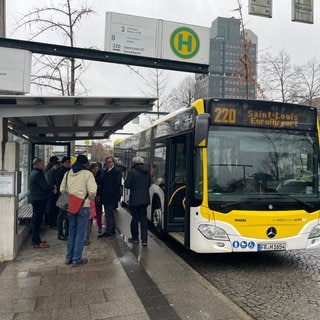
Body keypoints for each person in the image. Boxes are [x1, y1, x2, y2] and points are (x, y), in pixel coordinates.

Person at [60, 155, 97, 267]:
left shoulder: (67, 173)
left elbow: (62, 189)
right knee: (81, 234)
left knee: (72, 232)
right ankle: (77, 259)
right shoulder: (88, 174)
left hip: (70, 206)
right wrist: (87, 199)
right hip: (83, 206)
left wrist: (72, 197)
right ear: (85, 164)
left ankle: (69, 258)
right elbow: (92, 191)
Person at [124, 156, 151, 246]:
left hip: (135, 199)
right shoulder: (147, 172)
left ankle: (135, 238)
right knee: (143, 219)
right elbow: (149, 184)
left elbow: (127, 185)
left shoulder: (132, 171)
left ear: (134, 163)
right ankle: (144, 240)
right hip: (145, 199)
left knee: (135, 219)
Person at [29, 157, 52, 249]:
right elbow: (44, 186)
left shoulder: (34, 172)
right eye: (42, 164)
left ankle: (37, 239)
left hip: (36, 199)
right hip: (39, 199)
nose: (44, 165)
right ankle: (36, 242)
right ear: (37, 164)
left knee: (37, 220)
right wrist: (52, 187)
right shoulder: (38, 174)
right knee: (37, 221)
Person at [98, 156, 122, 238]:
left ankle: (108, 231)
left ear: (113, 162)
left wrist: (112, 194)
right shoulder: (105, 171)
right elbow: (101, 181)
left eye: (110, 162)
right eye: (107, 162)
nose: (108, 164)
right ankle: (112, 229)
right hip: (105, 195)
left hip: (111, 196)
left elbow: (116, 185)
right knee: (110, 213)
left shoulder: (116, 172)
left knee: (108, 214)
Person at [55, 156, 71, 240]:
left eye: (69, 162)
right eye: (67, 162)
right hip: (63, 195)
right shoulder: (60, 172)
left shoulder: (69, 171)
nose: (68, 164)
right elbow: (59, 185)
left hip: (68, 195)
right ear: (63, 163)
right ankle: (60, 233)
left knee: (68, 215)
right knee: (61, 215)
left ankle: (67, 232)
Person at [45, 160, 60, 228]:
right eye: (56, 165)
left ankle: (53, 223)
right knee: (52, 208)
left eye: (58, 165)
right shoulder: (50, 173)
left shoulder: (51, 172)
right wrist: (54, 188)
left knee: (53, 208)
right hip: (52, 193)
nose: (57, 166)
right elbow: (51, 183)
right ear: (53, 165)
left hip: (53, 193)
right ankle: (52, 223)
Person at [90, 163, 103, 234]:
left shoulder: (100, 176)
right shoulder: (89, 176)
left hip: (98, 196)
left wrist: (99, 195)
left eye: (97, 169)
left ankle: (100, 226)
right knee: (91, 213)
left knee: (98, 212)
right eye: (94, 169)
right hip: (91, 197)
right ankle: (90, 227)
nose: (96, 170)